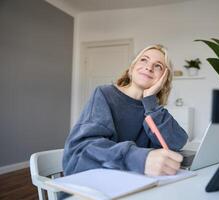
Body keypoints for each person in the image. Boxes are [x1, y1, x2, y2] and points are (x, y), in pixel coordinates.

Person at [63, 44, 188, 177]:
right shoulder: (105, 94)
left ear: (164, 79)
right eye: (144, 60)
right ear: (132, 68)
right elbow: (84, 147)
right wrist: (139, 158)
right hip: (96, 183)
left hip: (134, 183)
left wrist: (150, 102)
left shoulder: (153, 109)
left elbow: (176, 142)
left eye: (158, 66)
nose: (149, 67)